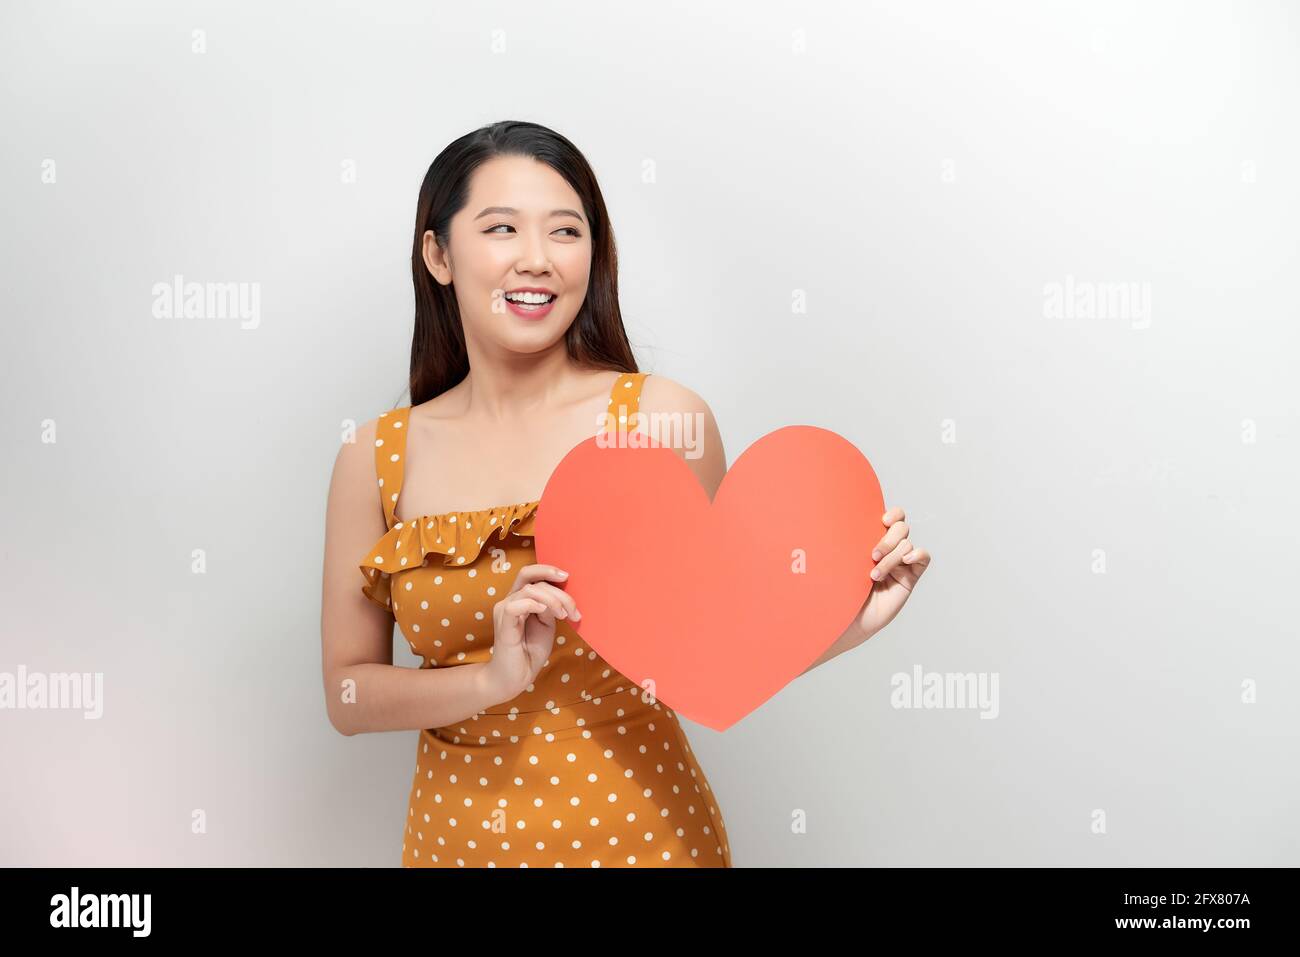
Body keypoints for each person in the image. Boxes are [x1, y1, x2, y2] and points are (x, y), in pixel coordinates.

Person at [320, 120, 930, 868]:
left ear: (593, 253)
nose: (537, 260)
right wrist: (491, 679)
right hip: (456, 845)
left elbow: (721, 652)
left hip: (651, 839)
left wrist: (855, 618)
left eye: (566, 231)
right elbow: (347, 696)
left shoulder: (662, 419)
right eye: (501, 228)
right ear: (439, 254)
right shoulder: (374, 456)